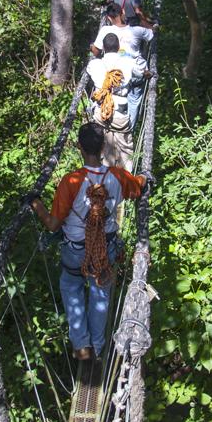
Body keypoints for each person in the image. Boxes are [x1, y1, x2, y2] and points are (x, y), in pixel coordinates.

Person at [28, 123, 150, 360]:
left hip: (75, 252)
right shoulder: (117, 176)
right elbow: (137, 187)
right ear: (103, 146)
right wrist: (144, 177)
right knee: (100, 293)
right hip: (106, 249)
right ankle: (97, 344)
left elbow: (53, 224)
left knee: (71, 287)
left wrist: (36, 204)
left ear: (79, 147)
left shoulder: (71, 182)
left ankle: (81, 344)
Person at [90, 2, 157, 129]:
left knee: (108, 89)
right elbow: (152, 33)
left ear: (109, 18)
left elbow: (96, 51)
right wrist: (146, 21)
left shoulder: (106, 30)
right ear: (123, 13)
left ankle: (108, 122)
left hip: (114, 74)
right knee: (134, 99)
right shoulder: (137, 31)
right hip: (136, 71)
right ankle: (128, 128)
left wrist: (92, 47)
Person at [86, 33, 141, 170]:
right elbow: (140, 72)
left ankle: (104, 184)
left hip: (101, 113)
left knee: (103, 149)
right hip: (120, 115)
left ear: (103, 47)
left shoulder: (94, 64)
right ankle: (126, 184)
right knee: (125, 150)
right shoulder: (128, 62)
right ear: (118, 48)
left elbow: (89, 71)